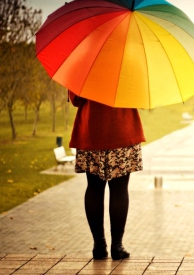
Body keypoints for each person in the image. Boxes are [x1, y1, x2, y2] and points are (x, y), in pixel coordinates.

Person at [69, 91, 145, 260]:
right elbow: (140, 96)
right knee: (119, 189)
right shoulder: (128, 65)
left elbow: (75, 99)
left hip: (92, 131)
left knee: (94, 188)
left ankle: (99, 245)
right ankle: (117, 246)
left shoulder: (84, 66)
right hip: (121, 129)